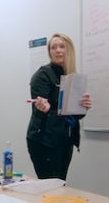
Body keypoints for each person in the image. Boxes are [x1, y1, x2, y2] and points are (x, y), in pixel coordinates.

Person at [26, 33, 92, 180]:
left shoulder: (72, 77)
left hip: (64, 140)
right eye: (53, 47)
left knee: (61, 184)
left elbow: (72, 115)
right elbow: (41, 109)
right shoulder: (42, 76)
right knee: (50, 187)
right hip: (44, 141)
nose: (58, 50)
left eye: (62, 46)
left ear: (69, 50)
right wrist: (44, 107)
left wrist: (83, 107)